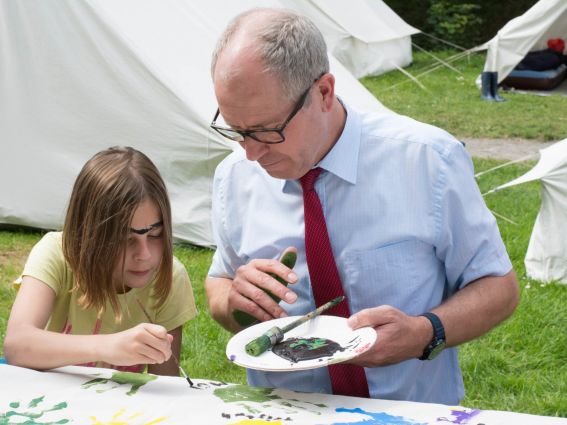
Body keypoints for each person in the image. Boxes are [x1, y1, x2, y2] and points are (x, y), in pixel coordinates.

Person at [205, 8, 519, 404]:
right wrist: (231, 301)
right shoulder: (233, 177)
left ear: (324, 92)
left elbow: (498, 288)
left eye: (267, 131)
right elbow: (220, 280)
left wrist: (425, 332)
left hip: (407, 413)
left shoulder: (426, 160)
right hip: (285, 411)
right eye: (235, 130)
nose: (250, 153)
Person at [3, 147, 197, 376]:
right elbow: (17, 346)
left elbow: (165, 383)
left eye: (155, 235)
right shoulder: (57, 252)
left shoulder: (170, 276)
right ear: (88, 233)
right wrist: (108, 346)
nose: (144, 254)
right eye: (126, 238)